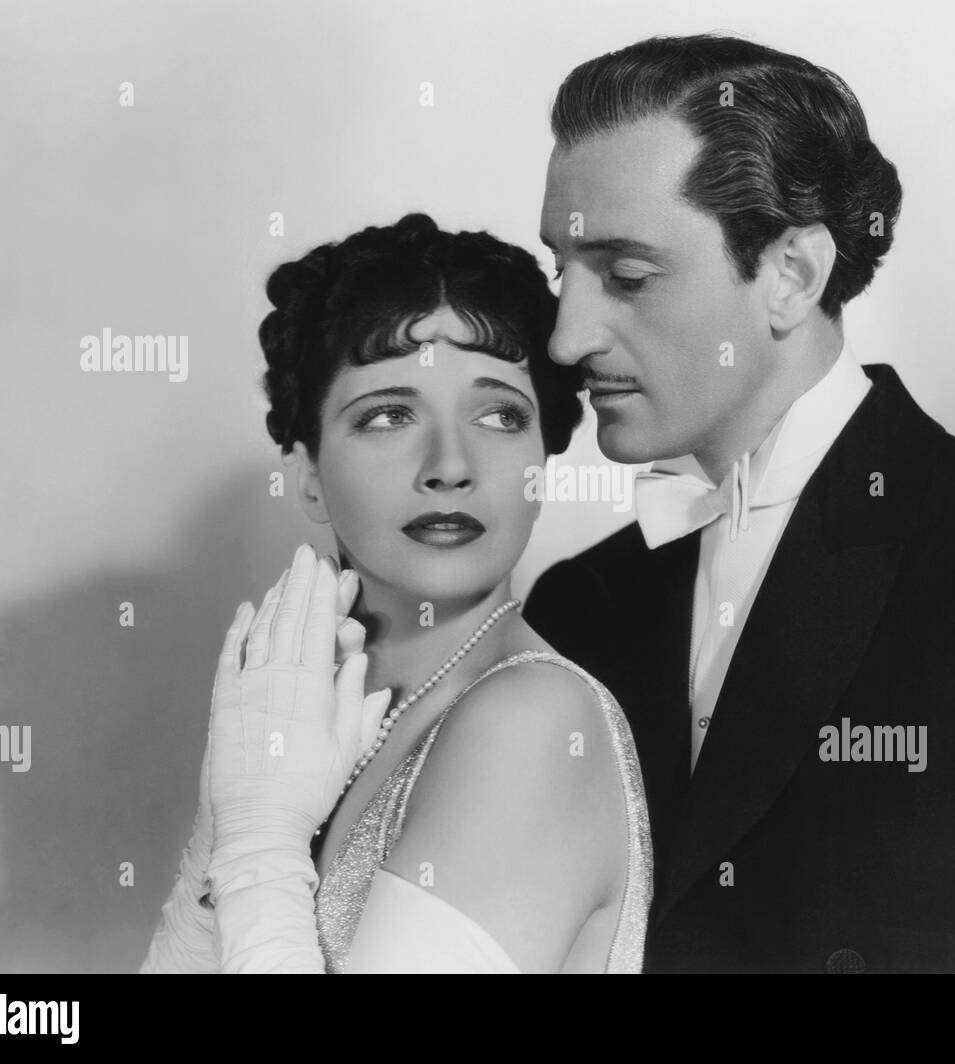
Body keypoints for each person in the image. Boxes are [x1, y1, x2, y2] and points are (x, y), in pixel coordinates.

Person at [523, 34, 955, 972]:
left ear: (793, 275)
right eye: (559, 271)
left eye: (629, 275)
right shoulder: (580, 605)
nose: (567, 337)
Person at [140, 213, 651, 973]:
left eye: (499, 415)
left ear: (543, 455)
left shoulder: (534, 724)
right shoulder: (310, 715)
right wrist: (221, 835)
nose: (450, 464)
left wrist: (258, 840)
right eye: (388, 415)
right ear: (310, 471)